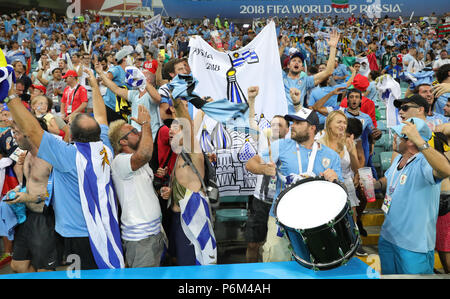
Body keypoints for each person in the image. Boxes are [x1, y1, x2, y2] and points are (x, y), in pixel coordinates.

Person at [5, 67, 124, 270]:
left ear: (73, 137)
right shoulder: (105, 148)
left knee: (77, 278)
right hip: (106, 229)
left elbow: (32, 129)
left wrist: (9, 96)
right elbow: (102, 116)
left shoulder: (69, 155)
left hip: (77, 236)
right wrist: (94, 86)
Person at [246, 108, 343, 262]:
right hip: (281, 219)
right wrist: (263, 168)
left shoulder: (331, 156)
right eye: (293, 122)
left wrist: (335, 180)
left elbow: (340, 194)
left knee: (309, 267)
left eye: (298, 123)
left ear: (312, 128)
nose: (292, 126)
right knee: (276, 266)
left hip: (314, 222)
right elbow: (251, 163)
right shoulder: (281, 146)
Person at [365, 117, 450, 274]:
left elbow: (446, 170)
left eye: (398, 135)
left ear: (411, 141)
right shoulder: (398, 158)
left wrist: (420, 140)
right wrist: (376, 184)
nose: (394, 138)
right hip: (389, 238)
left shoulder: (424, 162)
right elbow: (389, 180)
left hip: (413, 245)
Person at [159, 95, 217, 266]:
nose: (170, 130)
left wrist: (175, 99)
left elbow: (189, 126)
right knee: (182, 266)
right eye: (171, 127)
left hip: (192, 221)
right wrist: (171, 192)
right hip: (178, 219)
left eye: (176, 128)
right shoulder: (179, 155)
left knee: (194, 269)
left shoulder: (194, 150)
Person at [108, 105, 164, 268]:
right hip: (140, 240)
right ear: (123, 141)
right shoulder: (120, 162)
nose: (139, 132)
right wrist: (146, 124)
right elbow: (146, 153)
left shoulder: (136, 160)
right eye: (133, 131)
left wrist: (160, 192)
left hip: (154, 233)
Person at [6, 119, 61, 273]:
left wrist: (29, 198)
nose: (14, 137)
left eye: (16, 133)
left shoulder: (51, 159)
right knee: (18, 265)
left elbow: (58, 194)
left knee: (45, 271)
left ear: (29, 134)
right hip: (28, 216)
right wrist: (18, 186)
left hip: (45, 218)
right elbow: (28, 184)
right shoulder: (26, 154)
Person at [244, 86, 290, 263]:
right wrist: (252, 100)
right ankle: (250, 275)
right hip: (260, 201)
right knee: (252, 244)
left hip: (280, 203)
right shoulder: (264, 138)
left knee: (272, 245)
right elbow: (251, 121)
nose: (275, 127)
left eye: (280, 125)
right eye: (272, 124)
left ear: (287, 130)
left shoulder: (292, 146)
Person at [317, 110, 366, 255]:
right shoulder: (319, 141)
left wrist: (351, 152)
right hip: (324, 186)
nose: (343, 125)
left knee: (351, 217)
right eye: (339, 122)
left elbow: (356, 169)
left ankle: (354, 243)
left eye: (344, 122)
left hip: (345, 183)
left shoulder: (348, 141)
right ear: (329, 124)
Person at [282, 30, 341, 114]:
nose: (296, 62)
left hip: (297, 118)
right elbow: (271, 64)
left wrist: (332, 48)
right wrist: (282, 47)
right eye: (294, 60)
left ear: (302, 67)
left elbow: (328, 71)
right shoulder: (281, 76)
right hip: (280, 117)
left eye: (299, 62)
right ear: (288, 65)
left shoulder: (305, 81)